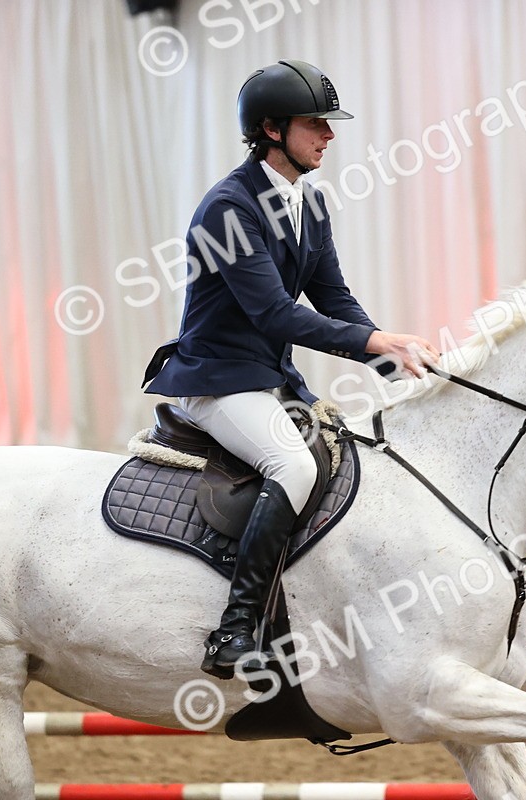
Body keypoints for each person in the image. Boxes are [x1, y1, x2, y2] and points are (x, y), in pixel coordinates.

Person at [143, 59, 438, 679]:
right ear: (273, 129)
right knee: (293, 464)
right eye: (316, 124)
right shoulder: (229, 207)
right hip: (218, 380)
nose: (329, 135)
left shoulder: (311, 202)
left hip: (271, 381)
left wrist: (395, 361)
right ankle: (235, 630)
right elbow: (275, 314)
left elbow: (333, 296)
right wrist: (375, 339)